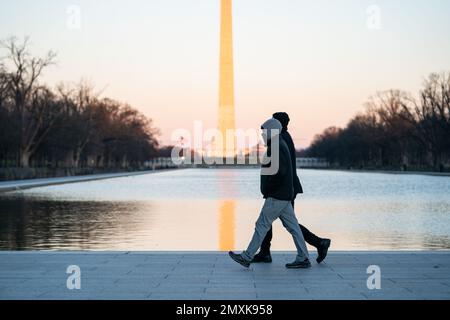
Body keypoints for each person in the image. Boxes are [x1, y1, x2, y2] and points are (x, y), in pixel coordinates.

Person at [229, 118, 311, 269]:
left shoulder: (276, 147)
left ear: (271, 131)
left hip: (277, 195)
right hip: (283, 194)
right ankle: (304, 257)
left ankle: (247, 256)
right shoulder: (278, 144)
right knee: (293, 227)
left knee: (262, 224)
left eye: (264, 131)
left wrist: (269, 189)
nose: (262, 134)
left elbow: (279, 172)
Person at [252, 112, 331, 264]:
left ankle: (318, 244)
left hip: (284, 189)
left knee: (283, 222)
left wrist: (271, 186)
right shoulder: (283, 138)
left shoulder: (281, 140)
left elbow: (280, 169)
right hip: (285, 188)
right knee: (283, 221)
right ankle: (265, 251)